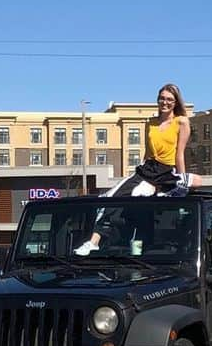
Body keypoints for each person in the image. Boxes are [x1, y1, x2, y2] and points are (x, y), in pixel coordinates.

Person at [74, 83, 202, 255]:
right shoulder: (151, 123)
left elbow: (180, 153)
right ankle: (93, 242)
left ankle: (170, 191)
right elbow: (148, 152)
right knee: (112, 198)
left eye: (170, 99)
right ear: (158, 100)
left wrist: (180, 178)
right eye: (162, 98)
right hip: (149, 169)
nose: (165, 102)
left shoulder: (181, 122)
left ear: (176, 102)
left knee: (196, 181)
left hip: (168, 170)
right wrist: (139, 173)